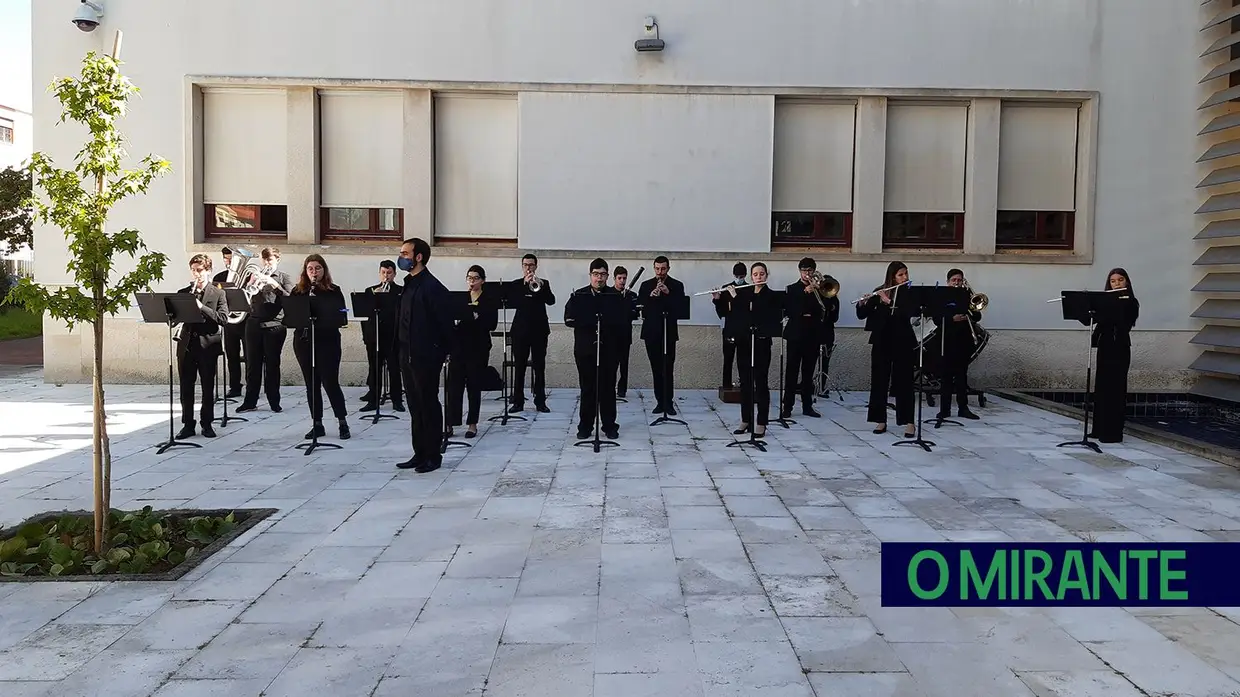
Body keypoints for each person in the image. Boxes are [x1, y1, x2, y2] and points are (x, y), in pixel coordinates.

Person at [396, 237, 455, 472]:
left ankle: (433, 455)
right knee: (414, 405)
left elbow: (444, 325)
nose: (401, 257)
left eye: (405, 253)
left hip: (425, 356)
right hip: (406, 353)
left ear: (418, 257)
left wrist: (441, 353)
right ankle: (418, 452)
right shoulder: (408, 284)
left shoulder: (433, 287)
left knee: (428, 404)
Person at [290, 254, 351, 441]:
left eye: (317, 268)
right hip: (304, 341)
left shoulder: (333, 290)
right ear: (305, 271)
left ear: (324, 270)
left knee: (330, 381)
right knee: (311, 384)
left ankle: (342, 422)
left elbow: (342, 315)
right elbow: (292, 316)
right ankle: (317, 423)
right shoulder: (298, 291)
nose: (314, 272)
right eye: (310, 269)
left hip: (328, 341)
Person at [564, 258, 624, 440]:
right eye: (596, 274)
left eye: (603, 274)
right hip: (585, 350)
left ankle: (609, 425)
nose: (599, 278)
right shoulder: (579, 296)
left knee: (607, 389)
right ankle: (585, 426)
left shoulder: (614, 297)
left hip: (609, 350)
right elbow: (569, 319)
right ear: (590, 275)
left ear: (608, 276)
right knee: (588, 389)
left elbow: (622, 320)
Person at [719, 262, 780, 439]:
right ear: (751, 276)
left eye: (761, 274)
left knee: (760, 383)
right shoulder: (745, 293)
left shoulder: (770, 296)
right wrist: (725, 298)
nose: (758, 277)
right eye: (755, 274)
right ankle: (746, 419)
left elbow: (760, 313)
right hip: (744, 343)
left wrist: (736, 298)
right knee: (745, 384)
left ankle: (761, 422)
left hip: (761, 343)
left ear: (766, 276)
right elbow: (736, 317)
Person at [858, 261, 916, 438]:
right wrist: (864, 303)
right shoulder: (880, 290)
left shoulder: (909, 292)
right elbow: (862, 315)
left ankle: (909, 423)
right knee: (879, 381)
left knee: (904, 382)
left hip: (903, 342)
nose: (905, 277)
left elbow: (907, 313)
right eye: (901, 275)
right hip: (882, 341)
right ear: (892, 276)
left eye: (905, 274)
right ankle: (880, 420)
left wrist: (888, 301)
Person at [237, 247, 296, 413]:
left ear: (277, 259)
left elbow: (290, 300)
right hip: (253, 324)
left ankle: (274, 401)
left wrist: (275, 285)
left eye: (270, 260)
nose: (266, 263)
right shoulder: (254, 275)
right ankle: (250, 401)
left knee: (272, 365)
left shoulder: (284, 277)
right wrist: (249, 284)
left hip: (274, 326)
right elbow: (242, 297)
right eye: (264, 260)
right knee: (252, 365)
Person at [176, 254, 228, 438]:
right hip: (187, 345)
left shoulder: (218, 293)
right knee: (186, 387)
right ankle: (188, 424)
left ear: (208, 271)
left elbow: (223, 319)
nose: (196, 274)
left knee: (207, 387)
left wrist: (201, 307)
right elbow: (174, 320)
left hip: (208, 345)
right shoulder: (183, 293)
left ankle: (207, 423)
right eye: (193, 270)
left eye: (200, 270)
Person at [446, 265, 498, 439]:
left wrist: (477, 318)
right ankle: (450, 423)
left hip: (479, 347)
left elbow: (492, 324)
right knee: (454, 386)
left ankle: (472, 424)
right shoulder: (461, 298)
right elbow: (452, 319)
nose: (472, 281)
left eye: (475, 278)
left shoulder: (489, 300)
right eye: (469, 278)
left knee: (474, 386)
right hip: (459, 346)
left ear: (482, 280)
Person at [781, 257, 837, 419]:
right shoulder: (792, 289)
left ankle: (807, 406)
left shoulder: (821, 290)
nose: (808, 274)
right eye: (805, 271)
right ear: (799, 271)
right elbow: (790, 311)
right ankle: (787, 407)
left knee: (808, 372)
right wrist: (805, 294)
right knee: (791, 372)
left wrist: (821, 293)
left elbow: (827, 311)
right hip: (795, 334)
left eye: (810, 271)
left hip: (813, 334)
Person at [1089, 268, 1139, 444]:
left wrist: (1111, 307)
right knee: (1102, 387)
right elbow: (1098, 322)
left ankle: (1113, 433)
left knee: (1115, 389)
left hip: (1120, 347)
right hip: (1105, 346)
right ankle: (1098, 430)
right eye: (1113, 281)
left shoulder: (1132, 302)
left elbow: (1125, 323)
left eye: (1120, 280)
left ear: (1126, 282)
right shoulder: (1104, 301)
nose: (1116, 283)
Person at [638, 255, 686, 415]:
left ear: (668, 269)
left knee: (668, 368)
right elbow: (640, 309)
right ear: (654, 268)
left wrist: (668, 293)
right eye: (657, 269)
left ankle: (668, 402)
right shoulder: (645, 286)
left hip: (669, 333)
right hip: (651, 333)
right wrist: (650, 298)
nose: (660, 272)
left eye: (663, 269)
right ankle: (659, 402)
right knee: (656, 369)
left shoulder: (677, 286)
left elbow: (680, 308)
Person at [508, 253, 555, 413]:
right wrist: (524, 285)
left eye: (531, 265)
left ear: (536, 266)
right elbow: (513, 302)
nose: (528, 268)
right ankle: (518, 402)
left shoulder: (544, 283)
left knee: (539, 367)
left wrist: (539, 286)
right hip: (520, 331)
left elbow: (551, 300)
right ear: (522, 266)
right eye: (525, 265)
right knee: (519, 367)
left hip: (539, 331)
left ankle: (540, 402)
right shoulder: (515, 284)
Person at [936, 269, 981, 421]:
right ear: (948, 281)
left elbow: (977, 316)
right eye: (954, 280)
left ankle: (963, 408)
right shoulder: (941, 296)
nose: (956, 282)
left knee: (962, 377)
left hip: (963, 340)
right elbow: (936, 318)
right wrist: (951, 319)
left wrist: (972, 306)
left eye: (959, 280)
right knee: (946, 377)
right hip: (946, 340)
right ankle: (944, 410)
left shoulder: (966, 296)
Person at [360, 260, 405, 412]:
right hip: (375, 336)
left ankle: (397, 400)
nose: (386, 276)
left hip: (392, 336)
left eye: (389, 273)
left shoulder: (401, 291)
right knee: (374, 368)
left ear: (394, 274)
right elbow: (366, 312)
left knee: (394, 368)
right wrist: (376, 297)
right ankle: (373, 400)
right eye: (383, 273)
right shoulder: (370, 291)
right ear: (380, 273)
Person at [210, 246, 244, 398]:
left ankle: (252, 388)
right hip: (229, 322)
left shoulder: (246, 276)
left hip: (245, 320)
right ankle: (235, 386)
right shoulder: (219, 277)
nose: (229, 262)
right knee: (232, 354)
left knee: (250, 355)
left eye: (232, 259)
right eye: (226, 259)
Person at [713, 262, 748, 390]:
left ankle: (744, 384)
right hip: (730, 329)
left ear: (745, 275)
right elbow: (722, 312)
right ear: (733, 275)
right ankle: (726, 385)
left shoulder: (749, 288)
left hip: (744, 330)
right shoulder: (726, 287)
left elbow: (746, 309)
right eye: (737, 276)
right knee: (728, 358)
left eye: (742, 276)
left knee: (743, 359)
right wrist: (717, 299)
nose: (739, 278)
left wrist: (736, 296)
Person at [613, 265, 638, 398]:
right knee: (611, 364)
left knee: (624, 364)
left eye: (624, 278)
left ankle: (622, 390)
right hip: (610, 335)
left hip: (625, 335)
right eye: (619, 278)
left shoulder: (632, 296)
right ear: (614, 279)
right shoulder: (609, 293)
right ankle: (609, 387)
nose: (622, 281)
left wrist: (626, 305)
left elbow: (635, 314)